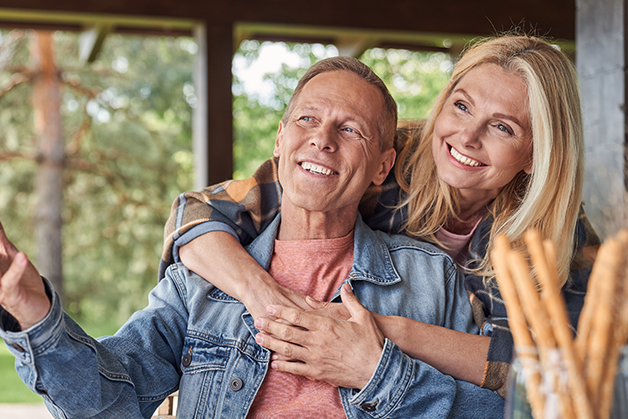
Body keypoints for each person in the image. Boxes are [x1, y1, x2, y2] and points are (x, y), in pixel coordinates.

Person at [0, 57, 504, 419]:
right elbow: (102, 396)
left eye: (351, 130)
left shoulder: (430, 281)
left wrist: (376, 373)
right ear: (280, 140)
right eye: (307, 120)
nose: (322, 138)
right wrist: (34, 315)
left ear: (382, 165)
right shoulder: (202, 283)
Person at [160, 35, 599, 397]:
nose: (466, 136)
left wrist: (384, 332)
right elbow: (197, 213)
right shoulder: (377, 158)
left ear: (536, 153)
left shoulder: (562, 232)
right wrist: (268, 301)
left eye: (503, 127)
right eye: (461, 106)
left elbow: (549, 374)